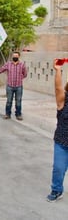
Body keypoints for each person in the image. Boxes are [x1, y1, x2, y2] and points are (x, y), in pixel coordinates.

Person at [46, 59, 68, 202]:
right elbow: (59, 89)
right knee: (59, 168)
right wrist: (58, 70)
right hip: (62, 141)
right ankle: (56, 190)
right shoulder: (63, 102)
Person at [0, 51, 27, 120]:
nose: (15, 57)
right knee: (9, 101)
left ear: (19, 56)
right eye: (14, 56)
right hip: (10, 86)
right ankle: (7, 114)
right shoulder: (8, 64)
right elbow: (0, 70)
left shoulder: (22, 65)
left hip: (19, 86)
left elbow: (25, 74)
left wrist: (20, 78)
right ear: (12, 57)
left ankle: (18, 114)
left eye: (16, 56)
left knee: (18, 101)